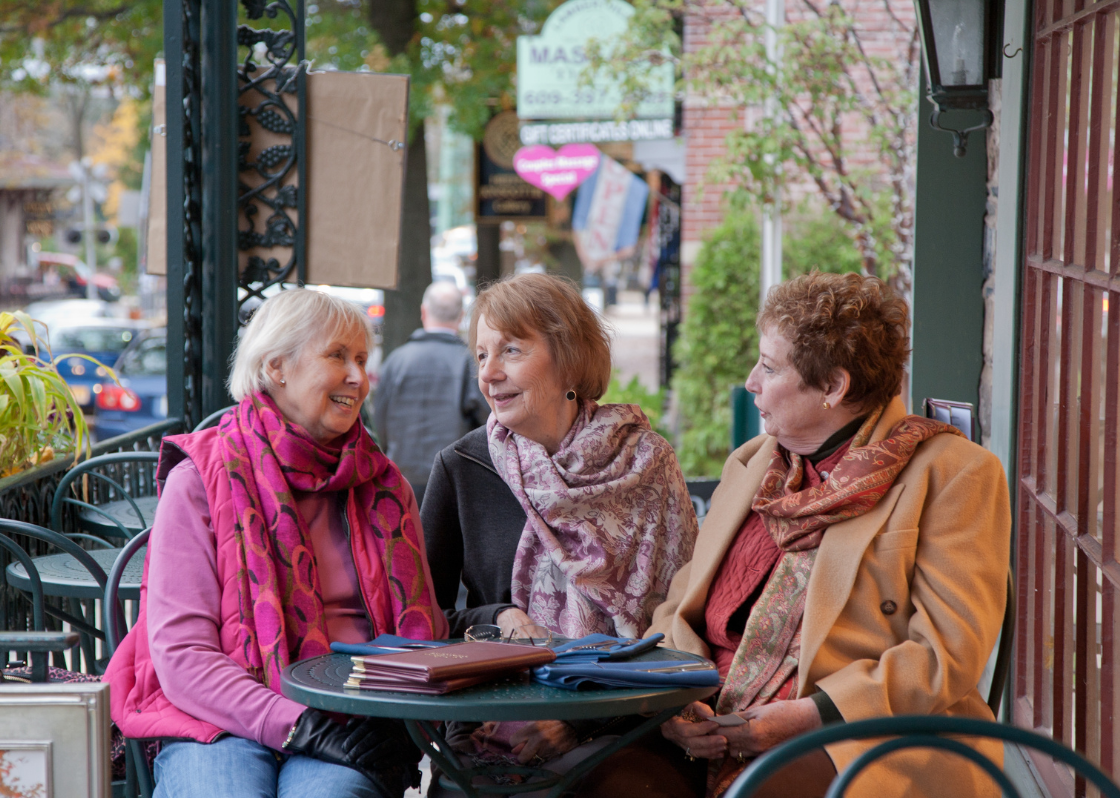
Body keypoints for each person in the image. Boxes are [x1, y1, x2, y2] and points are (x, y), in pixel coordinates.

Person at [642, 272, 1010, 798]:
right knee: (600, 779)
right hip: (711, 720)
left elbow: (945, 656)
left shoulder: (952, 473)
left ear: (833, 388)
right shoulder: (754, 464)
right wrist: (677, 702)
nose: (751, 381)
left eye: (769, 368)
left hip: (863, 737)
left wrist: (810, 715)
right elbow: (679, 606)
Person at [105, 288, 449, 798]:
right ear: (276, 366)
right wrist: (299, 725)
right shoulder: (202, 478)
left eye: (361, 359)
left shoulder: (385, 485)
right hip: (217, 718)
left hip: (350, 720)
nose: (358, 377)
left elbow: (423, 633)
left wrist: (392, 725)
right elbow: (184, 657)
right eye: (337, 356)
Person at [421, 273, 699, 793]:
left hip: (632, 721)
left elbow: (679, 618)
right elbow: (418, 623)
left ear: (569, 357)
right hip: (491, 721)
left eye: (510, 350)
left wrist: (577, 720)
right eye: (481, 356)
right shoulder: (462, 467)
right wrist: (494, 617)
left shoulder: (645, 463)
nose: (490, 373)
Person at [374, 281, 488, 505]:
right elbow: (486, 420)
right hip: (453, 476)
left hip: (401, 475)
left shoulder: (396, 360)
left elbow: (380, 420)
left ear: (423, 311)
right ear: (461, 315)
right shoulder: (469, 362)